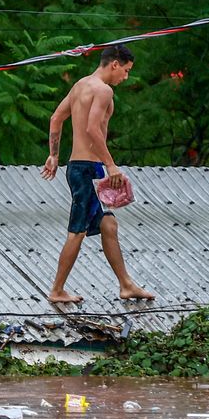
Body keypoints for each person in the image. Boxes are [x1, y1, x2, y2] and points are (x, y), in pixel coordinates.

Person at [41, 44, 156, 303]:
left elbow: (56, 119)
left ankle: (126, 284)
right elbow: (93, 129)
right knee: (78, 231)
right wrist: (111, 165)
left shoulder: (80, 85)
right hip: (87, 169)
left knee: (108, 224)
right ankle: (57, 290)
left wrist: (54, 155)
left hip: (82, 167)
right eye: (125, 71)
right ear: (114, 64)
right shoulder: (103, 91)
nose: (125, 77)